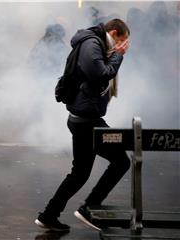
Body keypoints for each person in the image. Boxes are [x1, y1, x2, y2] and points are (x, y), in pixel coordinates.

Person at [35, 19, 130, 232]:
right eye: (121, 41)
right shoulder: (92, 44)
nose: (121, 45)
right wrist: (118, 55)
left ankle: (49, 215)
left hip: (85, 117)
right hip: (87, 119)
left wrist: (114, 56)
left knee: (80, 173)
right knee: (121, 162)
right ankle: (89, 209)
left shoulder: (94, 43)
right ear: (113, 33)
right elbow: (100, 74)